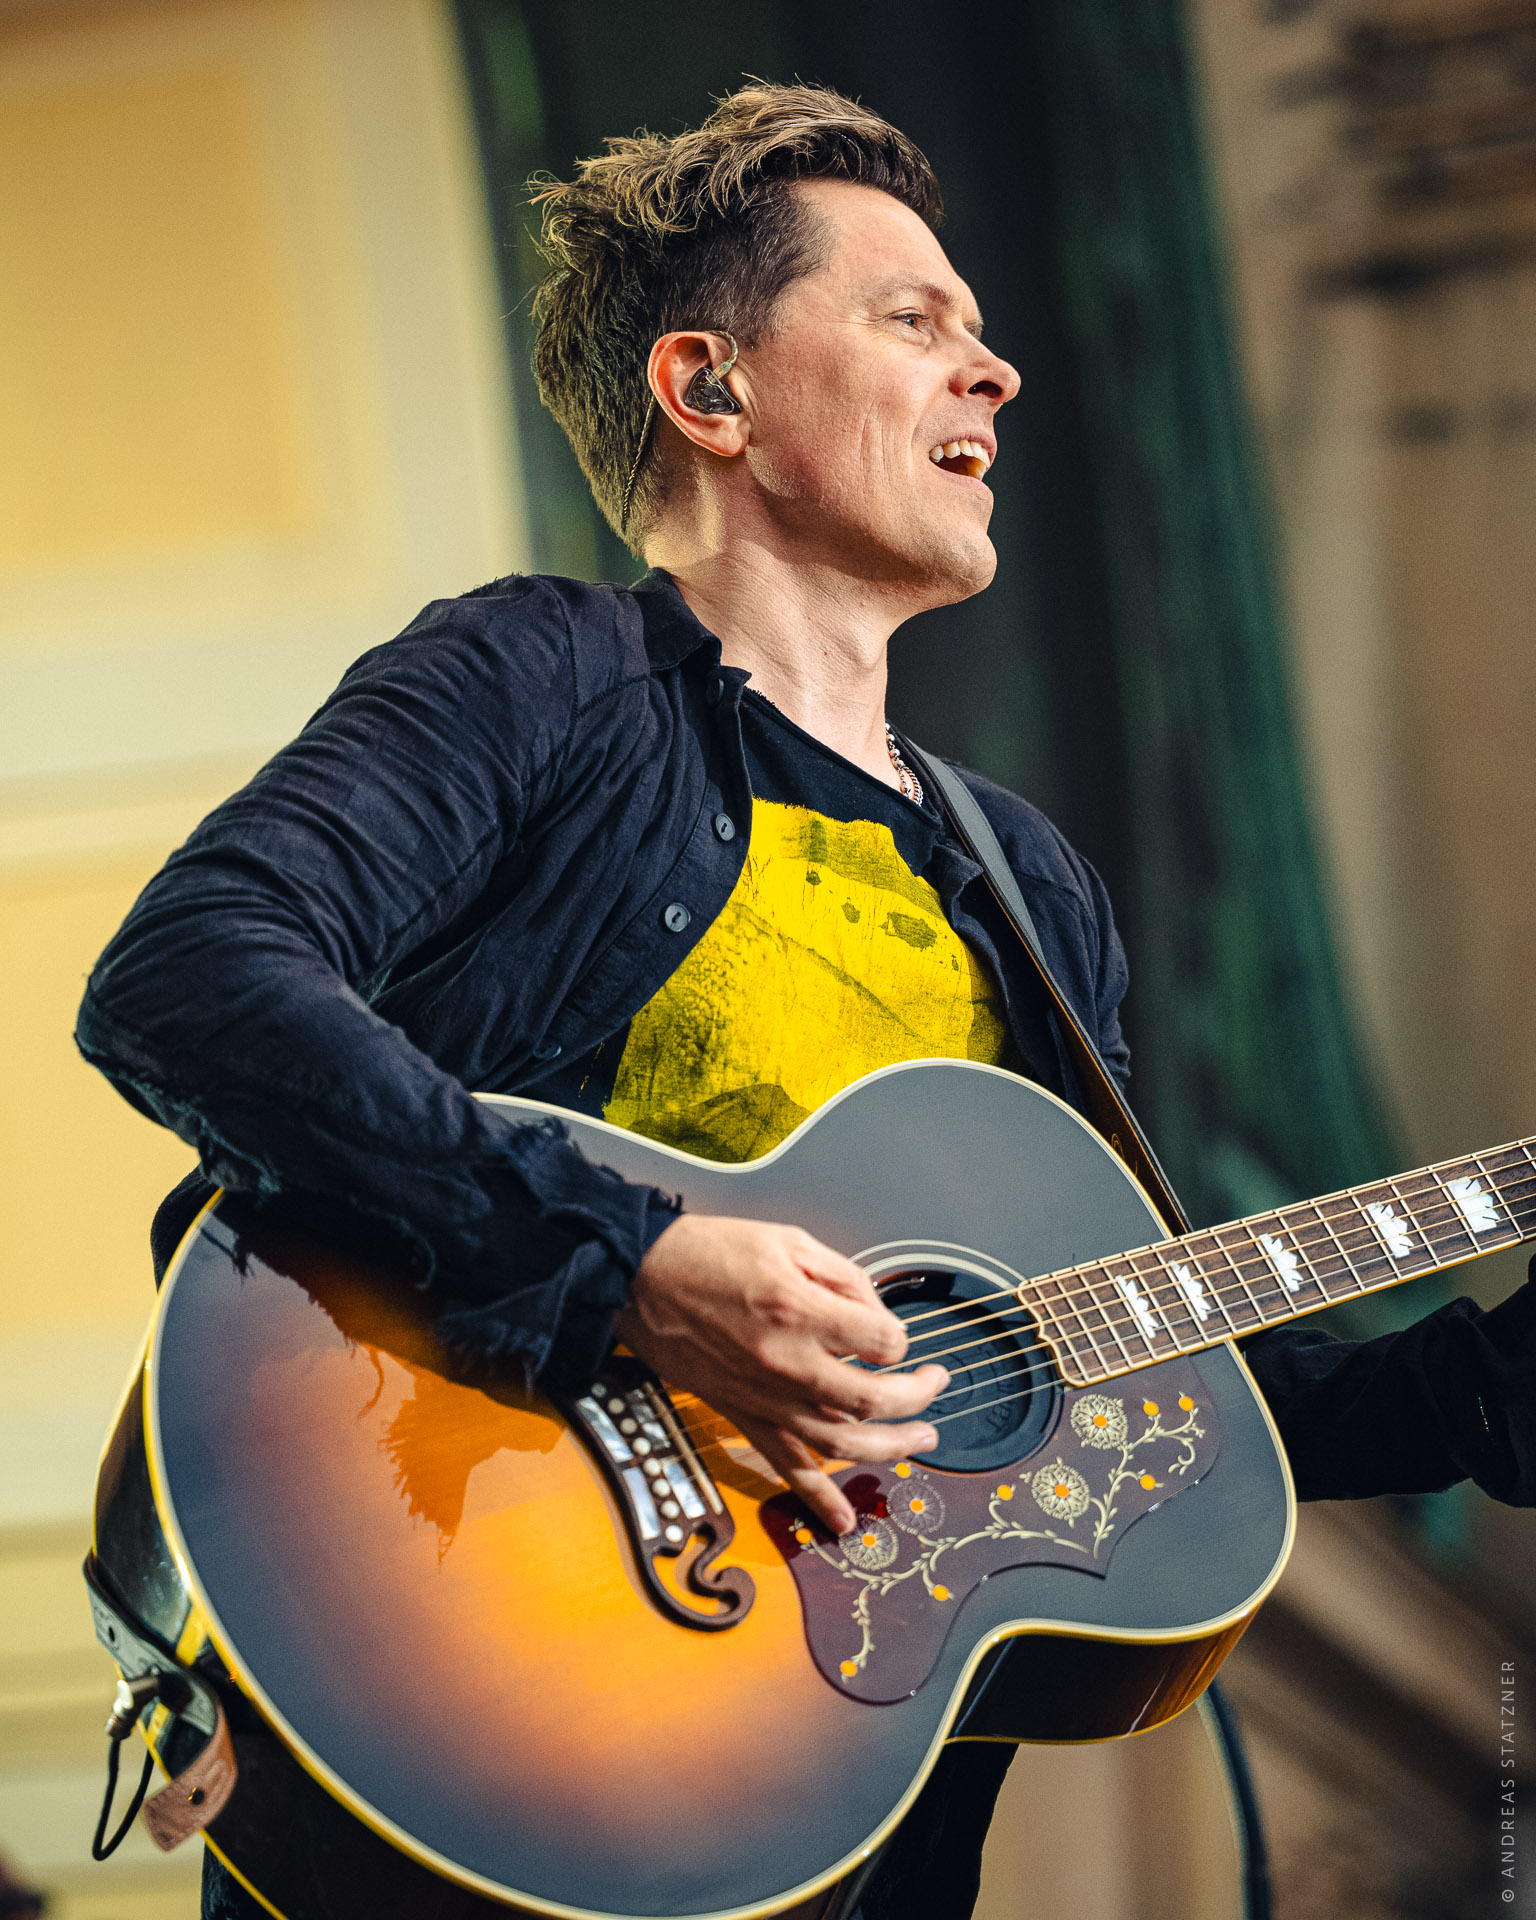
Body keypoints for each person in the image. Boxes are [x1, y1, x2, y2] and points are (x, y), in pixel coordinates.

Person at [77, 83, 1536, 1920]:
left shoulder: (1026, 884)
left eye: (982, 331)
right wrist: (633, 1269)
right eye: (915, 320)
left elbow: (1118, 1375)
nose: (995, 371)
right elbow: (191, 977)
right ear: (712, 391)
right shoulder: (542, 677)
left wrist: (1478, 1393)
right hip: (481, 1639)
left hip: (840, 1824)